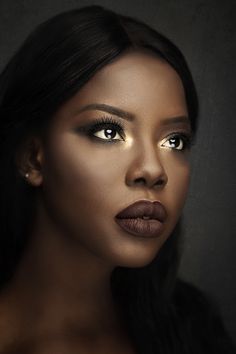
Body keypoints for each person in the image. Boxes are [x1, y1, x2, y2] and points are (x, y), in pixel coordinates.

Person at [0, 5, 235, 354]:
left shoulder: (194, 330)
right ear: (33, 157)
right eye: (109, 131)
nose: (154, 170)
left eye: (174, 141)